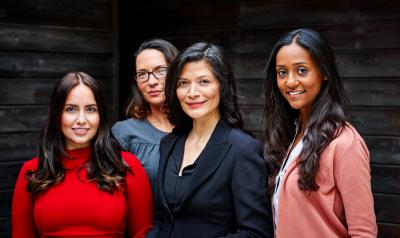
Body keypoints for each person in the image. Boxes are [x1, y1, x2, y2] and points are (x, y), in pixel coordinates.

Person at [262, 28, 377, 237]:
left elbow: (364, 232)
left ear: (323, 72)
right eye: (282, 72)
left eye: (302, 70)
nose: (290, 82)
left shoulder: (345, 144)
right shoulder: (288, 136)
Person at [12, 72, 153, 237]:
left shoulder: (126, 166)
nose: (81, 119)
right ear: (57, 114)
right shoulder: (32, 172)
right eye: (71, 109)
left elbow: (143, 233)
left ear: (100, 115)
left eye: (91, 109)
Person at [155, 42, 274, 238]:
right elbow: (163, 219)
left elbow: (256, 233)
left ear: (222, 86)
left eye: (204, 82)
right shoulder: (169, 144)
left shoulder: (242, 149)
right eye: (183, 83)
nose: (192, 93)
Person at [112, 39, 178, 197]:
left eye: (161, 71)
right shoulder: (124, 133)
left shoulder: (197, 127)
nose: (151, 81)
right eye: (142, 74)